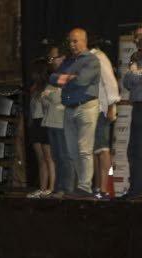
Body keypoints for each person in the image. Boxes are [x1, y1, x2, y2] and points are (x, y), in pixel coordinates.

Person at [49, 28, 101, 197]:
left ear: (84, 41)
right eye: (70, 41)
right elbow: (52, 78)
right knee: (72, 151)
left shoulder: (92, 60)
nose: (71, 44)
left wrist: (65, 78)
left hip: (86, 107)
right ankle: (82, 184)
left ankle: (85, 187)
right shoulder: (69, 61)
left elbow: (82, 80)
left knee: (84, 149)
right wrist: (69, 77)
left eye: (75, 41)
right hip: (69, 108)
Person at [90, 40, 120, 199]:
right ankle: (97, 187)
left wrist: (110, 106)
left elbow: (110, 82)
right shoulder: (87, 59)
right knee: (95, 150)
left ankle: (105, 188)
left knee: (103, 149)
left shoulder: (99, 57)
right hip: (93, 110)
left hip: (103, 110)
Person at [42, 47, 73, 197]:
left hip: (62, 122)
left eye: (53, 58)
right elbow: (44, 98)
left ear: (62, 57)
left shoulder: (68, 73)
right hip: (51, 121)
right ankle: (58, 187)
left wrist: (50, 95)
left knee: (64, 156)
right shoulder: (54, 76)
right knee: (56, 156)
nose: (51, 62)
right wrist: (50, 95)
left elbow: (59, 97)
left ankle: (67, 189)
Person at [28, 59, 55, 198]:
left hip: (45, 122)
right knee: (40, 159)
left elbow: (52, 106)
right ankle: (42, 188)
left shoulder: (49, 87)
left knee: (48, 157)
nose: (32, 75)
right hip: (36, 123)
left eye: (34, 72)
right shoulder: (34, 88)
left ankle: (51, 188)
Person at [124, 26, 142, 198]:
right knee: (135, 150)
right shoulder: (135, 56)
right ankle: (136, 189)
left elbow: (134, 78)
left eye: (141, 36)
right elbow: (127, 82)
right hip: (137, 107)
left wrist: (136, 74)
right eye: (136, 36)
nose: (138, 39)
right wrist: (136, 75)